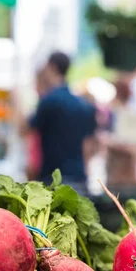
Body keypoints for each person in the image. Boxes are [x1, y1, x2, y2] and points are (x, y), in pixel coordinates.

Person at [29, 52, 97, 188]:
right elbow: (90, 146)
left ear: (52, 67)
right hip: (79, 177)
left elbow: (26, 131)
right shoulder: (84, 105)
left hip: (52, 178)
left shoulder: (48, 101)